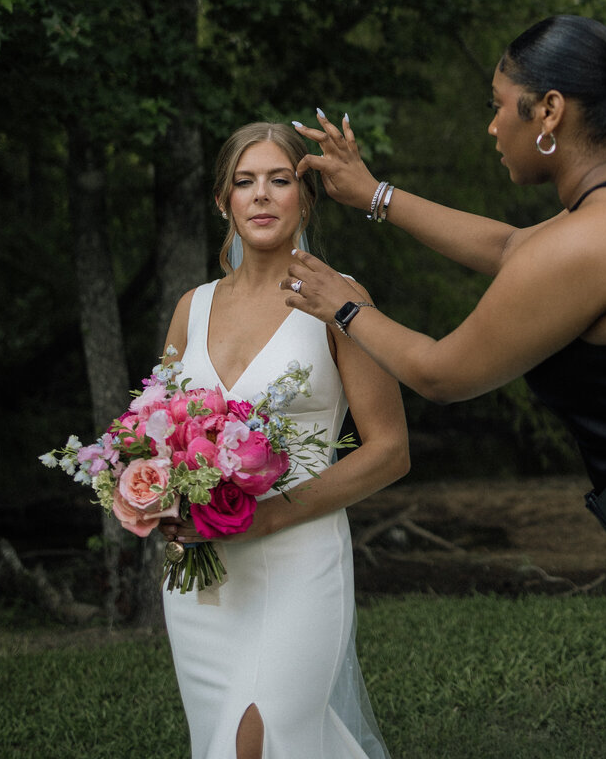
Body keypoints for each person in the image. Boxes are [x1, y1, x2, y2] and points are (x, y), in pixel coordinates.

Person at [282, 15, 606, 759]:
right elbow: (512, 247)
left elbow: (441, 372)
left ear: (547, 111)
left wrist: (345, 306)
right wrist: (375, 195)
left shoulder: (587, 241)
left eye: (498, 103)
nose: (491, 126)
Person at [158, 121, 410, 759]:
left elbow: (390, 450)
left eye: (280, 181)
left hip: (298, 557)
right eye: (245, 183)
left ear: (307, 199)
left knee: (264, 739)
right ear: (224, 202)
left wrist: (268, 518)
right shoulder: (193, 307)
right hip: (202, 577)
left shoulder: (340, 298)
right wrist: (156, 501)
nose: (262, 196)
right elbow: (154, 434)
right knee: (223, 742)